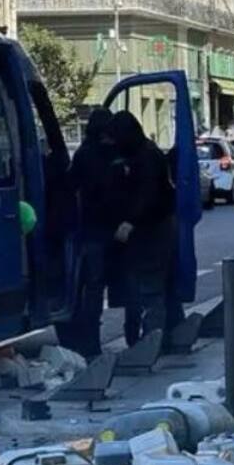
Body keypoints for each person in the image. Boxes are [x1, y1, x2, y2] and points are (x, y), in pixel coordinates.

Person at [106, 111, 176, 346]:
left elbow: (149, 196)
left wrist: (130, 221)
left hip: (151, 231)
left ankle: (150, 342)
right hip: (145, 231)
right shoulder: (141, 153)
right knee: (141, 289)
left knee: (149, 289)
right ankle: (142, 340)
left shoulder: (146, 157)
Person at [61, 108, 114, 358]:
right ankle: (91, 340)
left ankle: (83, 337)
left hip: (87, 228)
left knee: (86, 286)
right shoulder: (108, 154)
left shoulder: (83, 153)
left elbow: (70, 184)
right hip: (103, 228)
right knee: (95, 287)